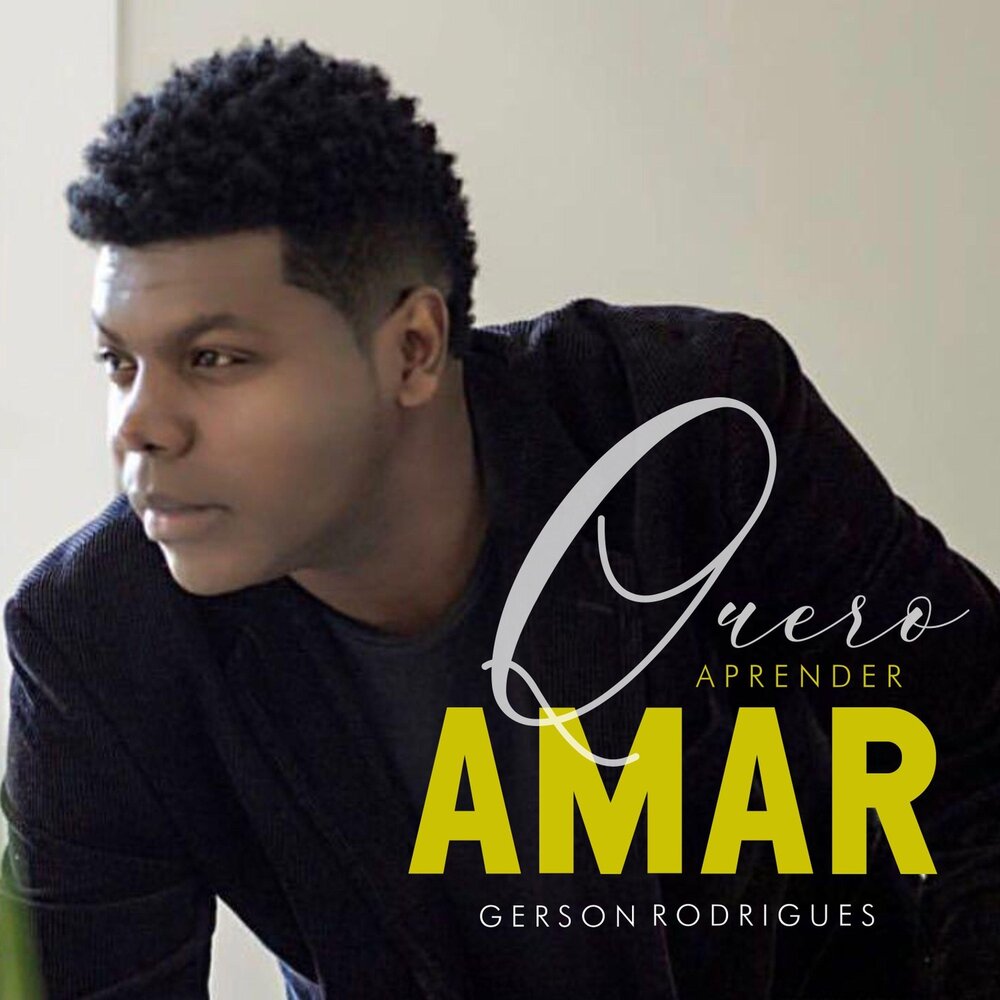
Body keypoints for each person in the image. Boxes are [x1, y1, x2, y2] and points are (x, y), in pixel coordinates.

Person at [2, 38, 998, 1000]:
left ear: (412, 348)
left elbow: (978, 756)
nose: (138, 426)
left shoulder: (698, 439)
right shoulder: (95, 638)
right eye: (119, 362)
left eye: (216, 358)